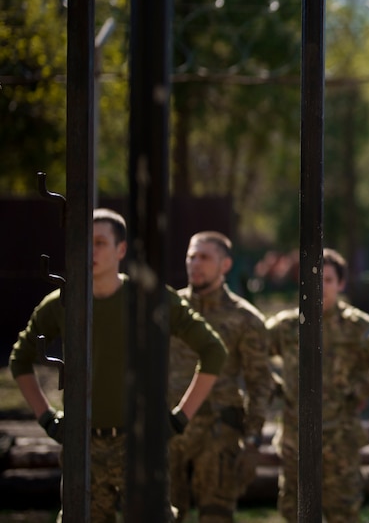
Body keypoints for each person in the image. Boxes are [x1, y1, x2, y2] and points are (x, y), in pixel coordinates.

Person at [8, 208, 228, 522]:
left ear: (121, 250)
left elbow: (213, 351)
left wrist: (179, 419)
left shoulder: (151, 299)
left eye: (99, 242)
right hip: (83, 448)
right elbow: (20, 360)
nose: (90, 250)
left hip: (139, 448)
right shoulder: (62, 303)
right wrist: (47, 418)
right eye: (85, 241)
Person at [266, 248, 369, 523]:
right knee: (293, 513)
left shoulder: (354, 325)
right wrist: (274, 386)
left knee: (342, 514)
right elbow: (252, 352)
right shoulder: (286, 325)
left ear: (341, 284)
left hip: (340, 443)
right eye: (313, 279)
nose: (320, 286)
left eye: (328, 279)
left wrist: (360, 389)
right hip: (294, 444)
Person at [168, 231, 273, 522]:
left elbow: (260, 384)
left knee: (216, 516)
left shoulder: (246, 319)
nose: (195, 264)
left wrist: (252, 442)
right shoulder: (168, 311)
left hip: (219, 434)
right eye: (191, 256)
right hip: (168, 433)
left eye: (204, 257)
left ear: (225, 265)